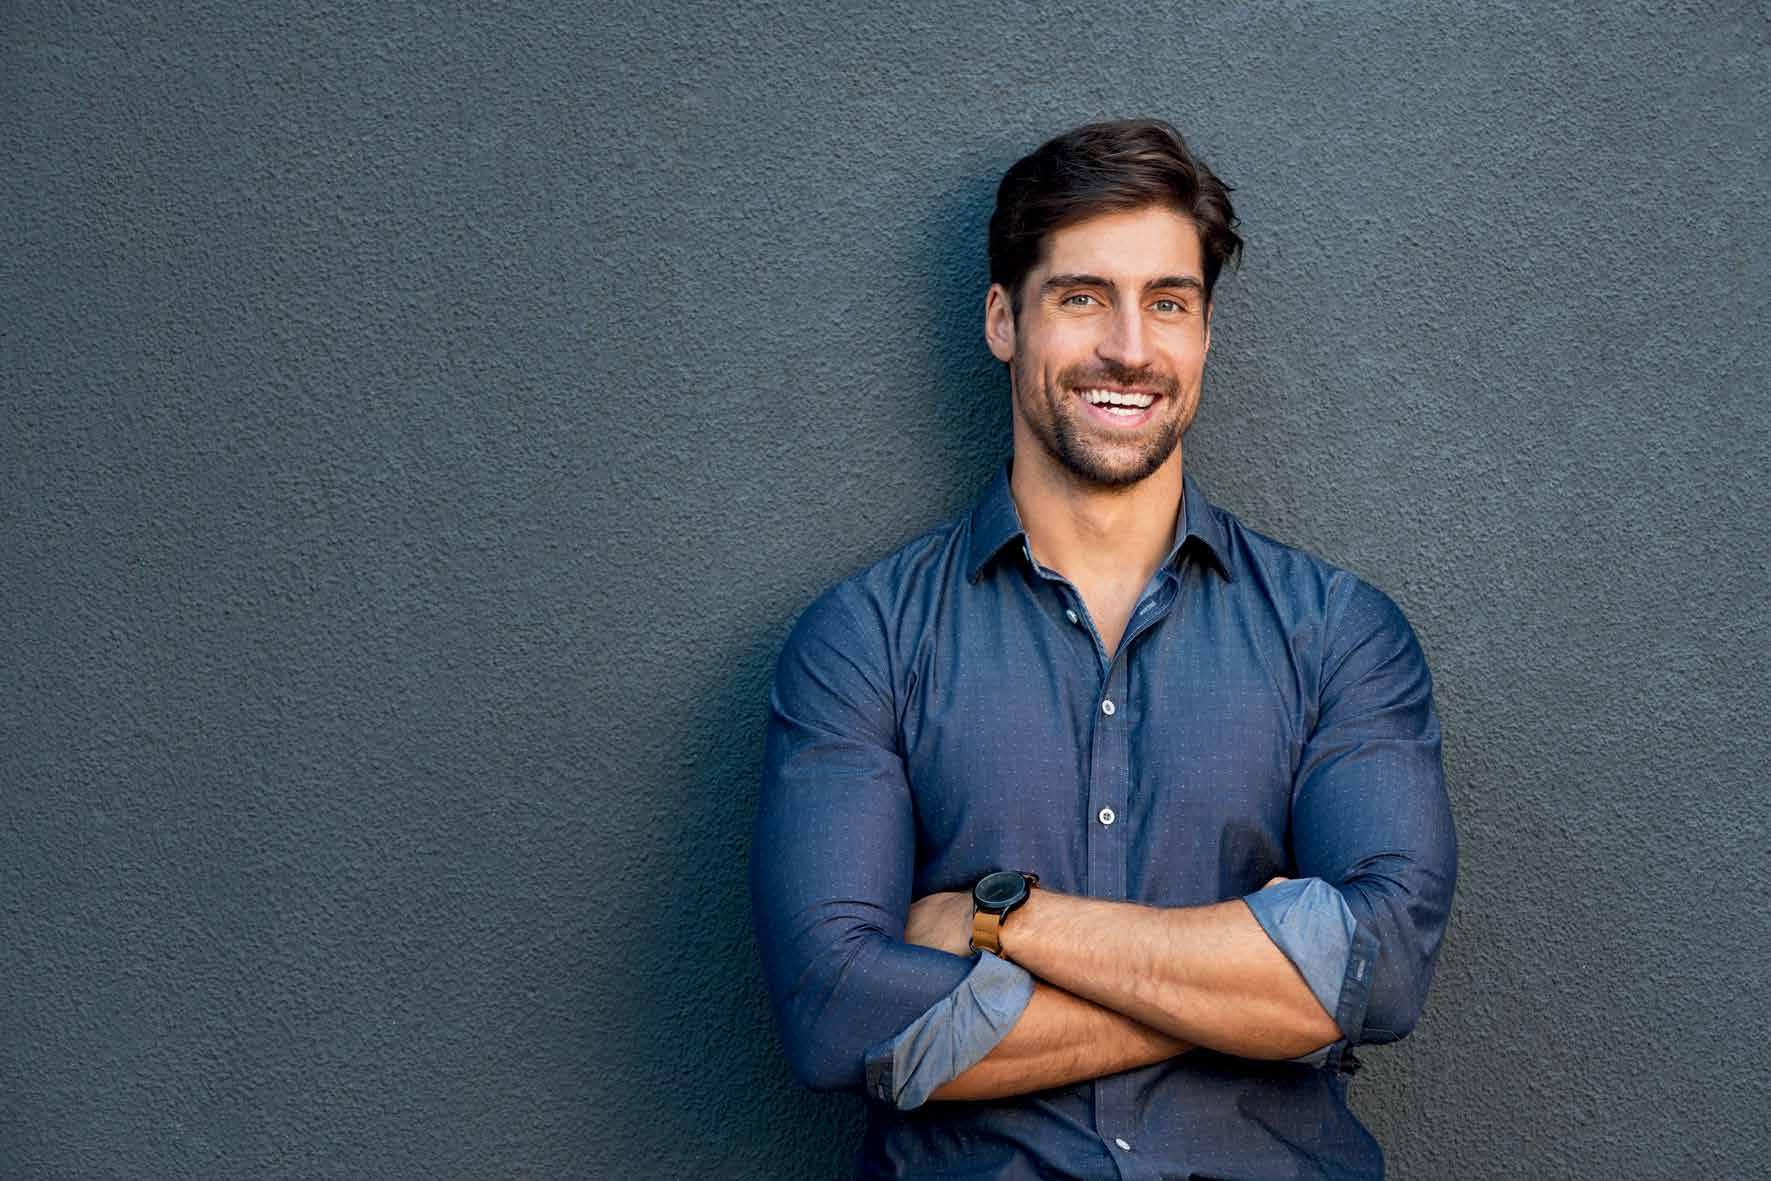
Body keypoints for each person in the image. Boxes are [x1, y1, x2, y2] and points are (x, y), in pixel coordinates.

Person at [751, 118, 1457, 1180]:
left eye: (1167, 302)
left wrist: (1003, 921)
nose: (1130, 347)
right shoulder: (864, 640)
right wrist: (1257, 991)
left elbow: (1384, 967)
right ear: (1003, 319)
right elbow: (835, 1011)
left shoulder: (1339, 635)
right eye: (1083, 297)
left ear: (1204, 332)